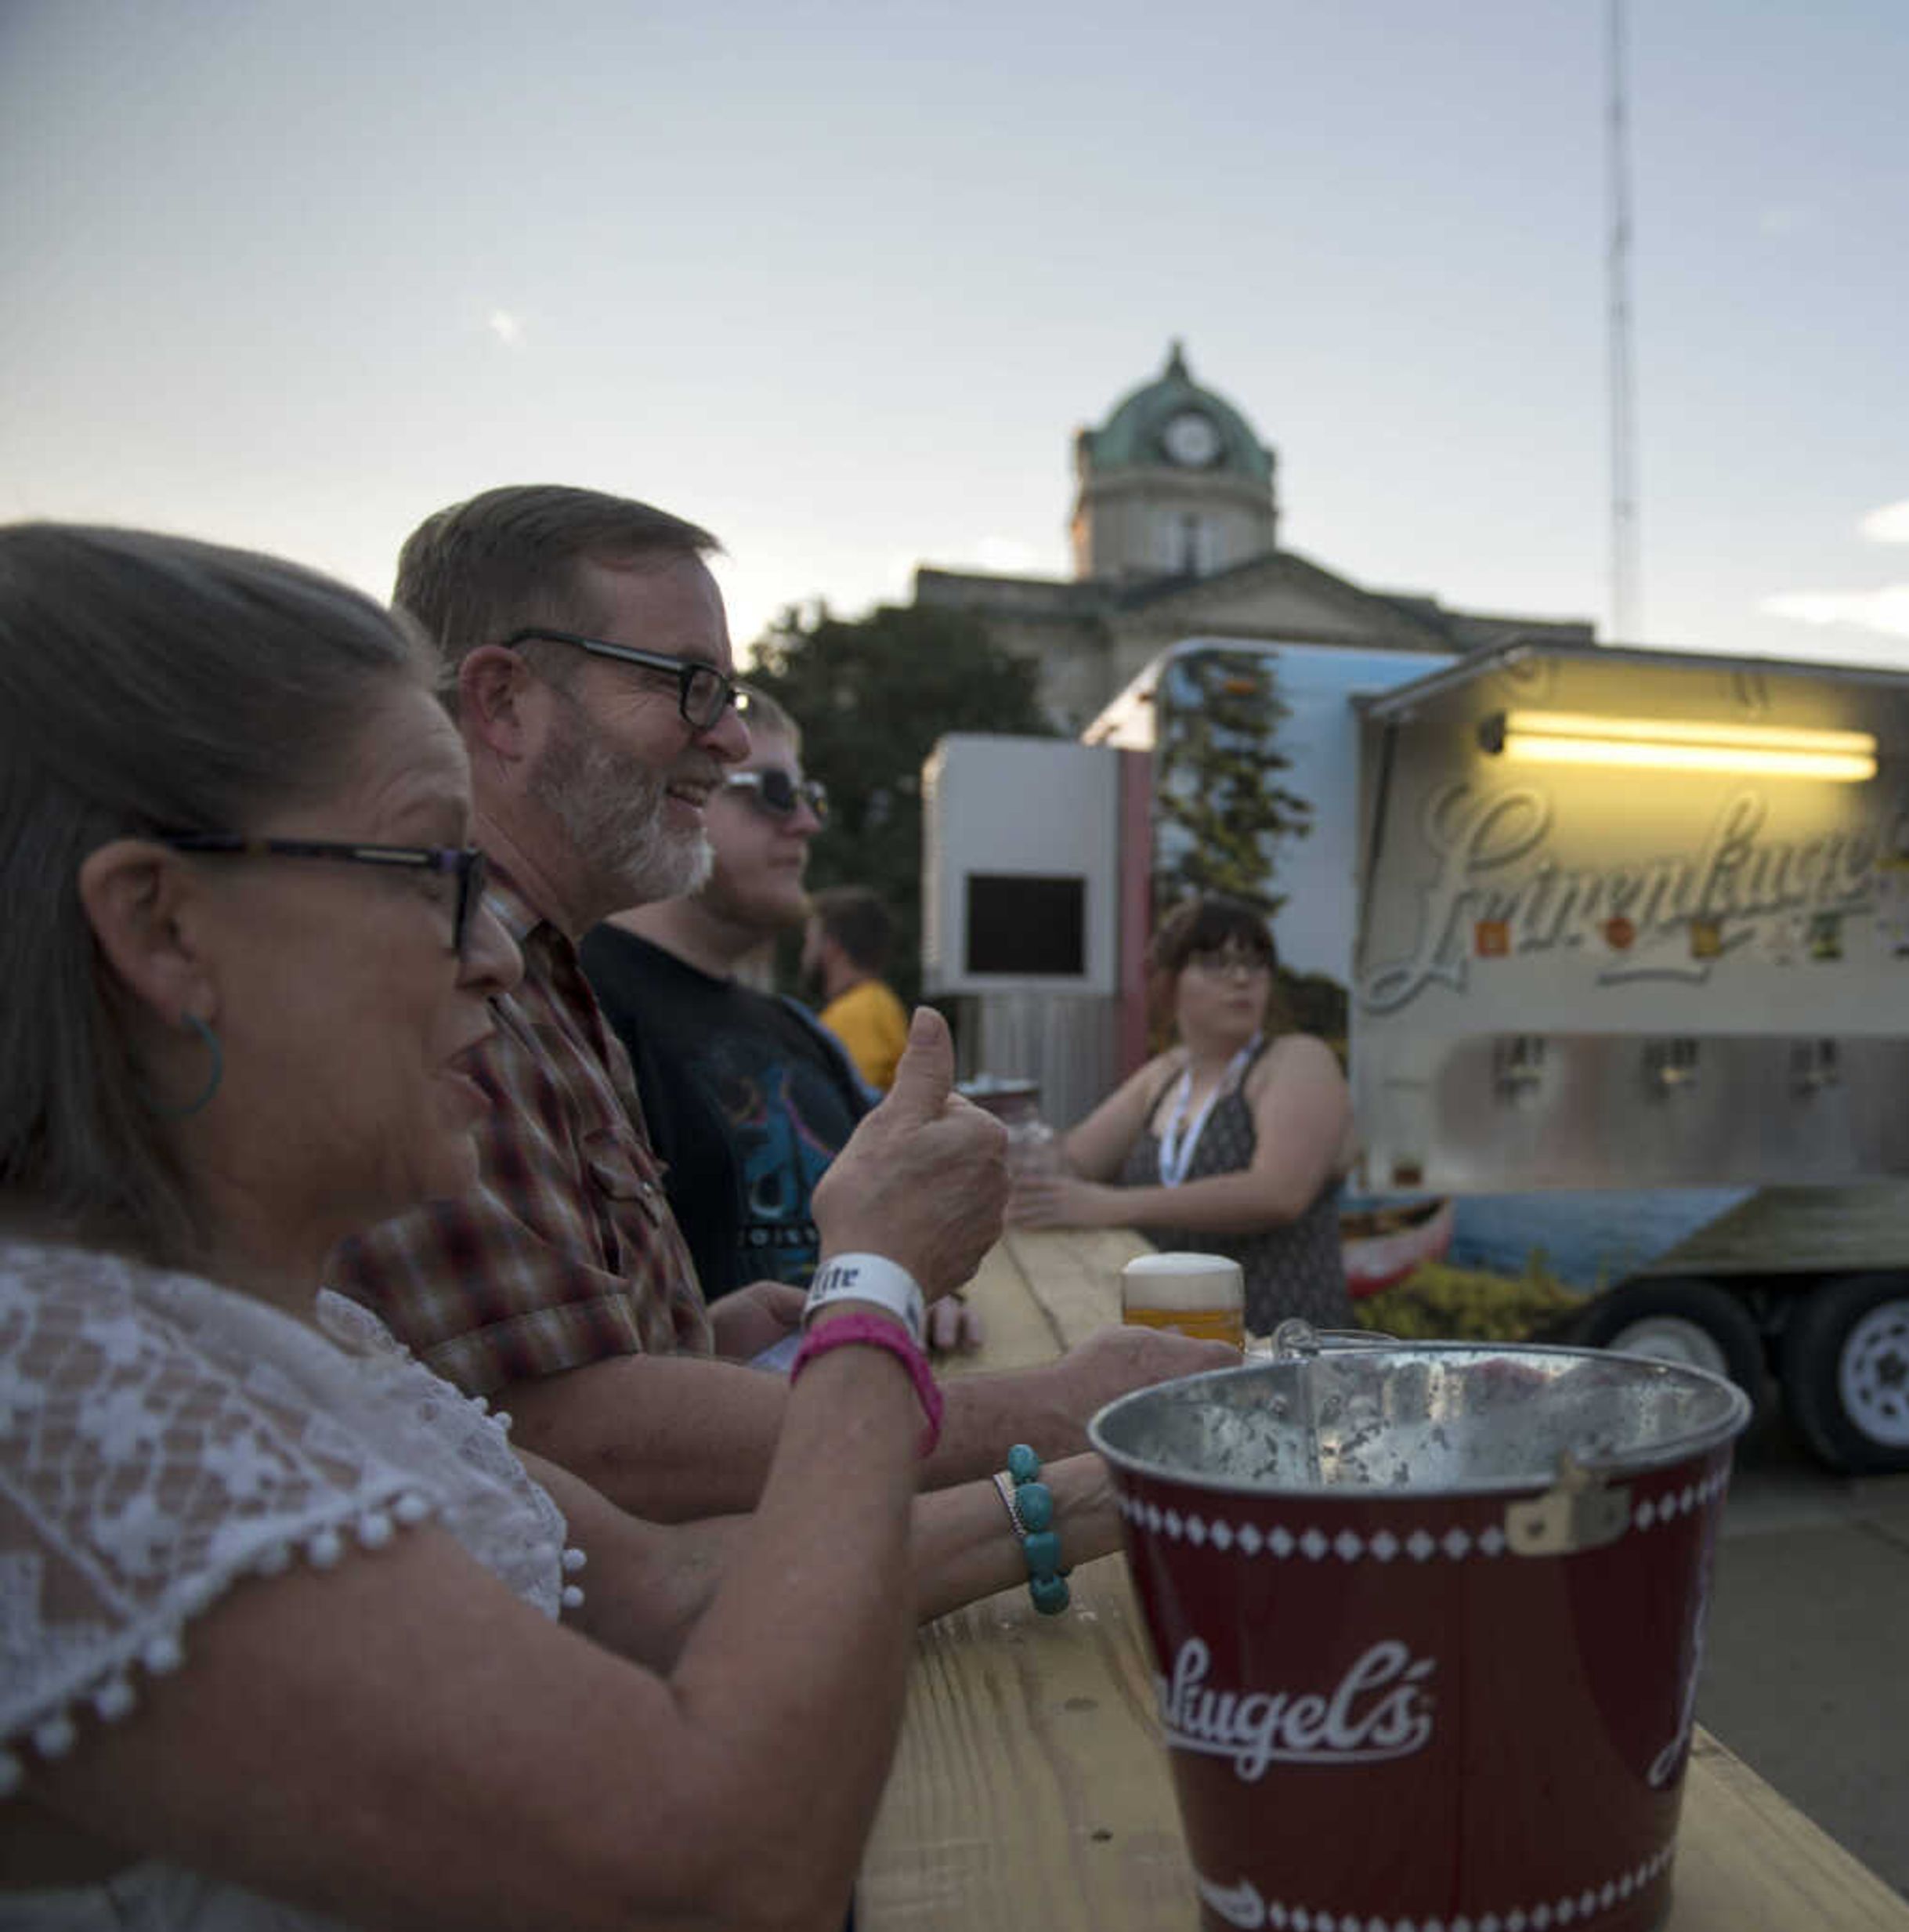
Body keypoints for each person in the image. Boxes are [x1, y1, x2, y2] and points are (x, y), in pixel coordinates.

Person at [0, 523, 1118, 1932]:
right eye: (424, 872)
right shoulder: (63, 1403)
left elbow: (661, 1595)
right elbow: (728, 1881)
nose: (490, 953)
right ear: (159, 925)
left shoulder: (289, 1330)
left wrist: (1138, 1475)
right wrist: (875, 1289)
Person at [324, 486, 1235, 1521]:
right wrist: (1053, 1402)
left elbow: (506, 1404)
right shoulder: (439, 976)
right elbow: (548, 1436)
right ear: (503, 703)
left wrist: (704, 1334)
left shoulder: (548, 970)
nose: (724, 742)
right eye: (691, 686)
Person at [584, 689, 978, 1357]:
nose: (806, 824)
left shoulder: (799, 1029)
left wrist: (931, 1289)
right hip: (726, 1446)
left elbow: (898, 1210)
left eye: (811, 797)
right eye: (772, 792)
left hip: (874, 1414)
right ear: (681, 789)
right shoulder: (578, 1001)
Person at [1011, 895, 1354, 1337]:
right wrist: (1015, 1144)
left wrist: (1112, 1206)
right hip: (1173, 1343)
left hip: (1276, 1348)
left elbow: (1278, 1192)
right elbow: (1073, 1162)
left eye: (1256, 963)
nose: (1241, 977)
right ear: (1170, 981)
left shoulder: (1297, 1059)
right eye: (1215, 962)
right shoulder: (1166, 1075)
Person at [806, 884, 911, 1092]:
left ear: (831, 947)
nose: (805, 954)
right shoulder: (877, 1003)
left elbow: (851, 1106)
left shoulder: (856, 1014)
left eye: (809, 941)